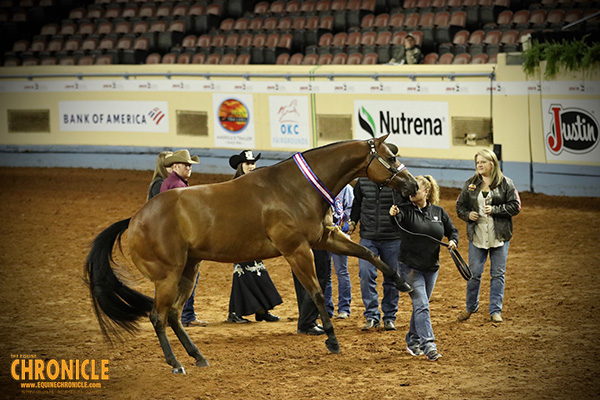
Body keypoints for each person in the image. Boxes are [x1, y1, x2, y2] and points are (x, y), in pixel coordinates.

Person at [390, 175, 459, 361]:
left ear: (426, 192)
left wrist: (453, 241)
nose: (412, 193)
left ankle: (412, 341)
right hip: (409, 268)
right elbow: (397, 221)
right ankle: (429, 346)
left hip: (431, 267)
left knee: (421, 306)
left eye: (416, 189)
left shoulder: (439, 212)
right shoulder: (404, 211)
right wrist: (394, 214)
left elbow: (452, 230)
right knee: (421, 305)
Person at [455, 148, 521, 323]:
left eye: (483, 162)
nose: (479, 165)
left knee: (498, 274)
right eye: (477, 162)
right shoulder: (470, 184)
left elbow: (516, 206)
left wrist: (496, 210)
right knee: (474, 273)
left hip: (499, 236)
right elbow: (459, 206)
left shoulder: (507, 183)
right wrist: (468, 215)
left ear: (492, 164)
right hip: (477, 236)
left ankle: (495, 311)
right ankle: (471, 307)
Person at [348, 143, 402, 332]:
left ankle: (389, 316)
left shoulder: (398, 183)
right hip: (368, 237)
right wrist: (353, 222)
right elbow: (357, 204)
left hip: (393, 238)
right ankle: (371, 315)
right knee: (365, 274)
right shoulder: (363, 181)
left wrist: (398, 214)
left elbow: (407, 208)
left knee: (392, 278)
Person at [226, 150, 283, 324]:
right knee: (244, 271)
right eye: (247, 163)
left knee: (254, 269)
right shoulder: (234, 185)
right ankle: (236, 312)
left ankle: (260, 310)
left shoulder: (256, 184)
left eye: (252, 163)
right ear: (240, 166)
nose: (251, 166)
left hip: (253, 234)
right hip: (238, 234)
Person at [160, 149, 207, 327]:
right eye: (185, 165)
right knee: (187, 277)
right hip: (179, 239)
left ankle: (171, 314)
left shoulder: (170, 183)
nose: (189, 167)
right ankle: (184, 315)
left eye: (190, 165)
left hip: (171, 238)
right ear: (175, 166)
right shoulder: (179, 187)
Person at [324, 184, 354, 320]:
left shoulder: (346, 189)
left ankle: (344, 308)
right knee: (325, 273)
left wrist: (343, 226)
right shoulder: (322, 185)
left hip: (339, 236)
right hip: (322, 237)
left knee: (341, 272)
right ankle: (327, 308)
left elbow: (351, 211)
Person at [293, 249, 331, 335]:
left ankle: (307, 321)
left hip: (296, 249)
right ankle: (307, 324)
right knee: (317, 282)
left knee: (303, 283)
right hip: (315, 247)